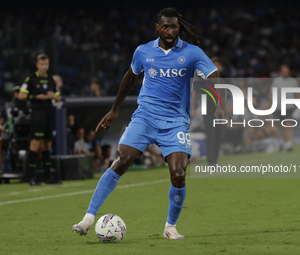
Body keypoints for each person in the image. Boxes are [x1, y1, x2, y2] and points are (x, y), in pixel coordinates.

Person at [72, 7, 228, 239]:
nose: (169, 30)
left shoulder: (192, 53)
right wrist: (114, 110)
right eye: (165, 26)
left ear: (178, 27)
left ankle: (170, 227)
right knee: (121, 160)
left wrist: (220, 104)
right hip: (145, 117)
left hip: (175, 122)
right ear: (157, 28)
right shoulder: (143, 51)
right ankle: (87, 219)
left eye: (174, 26)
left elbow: (215, 76)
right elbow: (130, 77)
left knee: (178, 174)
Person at [18, 53, 61, 185]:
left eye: (46, 64)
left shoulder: (51, 80)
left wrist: (54, 96)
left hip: (49, 112)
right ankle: (31, 177)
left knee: (47, 144)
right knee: (35, 144)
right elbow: (21, 96)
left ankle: (47, 177)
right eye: (41, 64)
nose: (44, 66)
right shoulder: (30, 79)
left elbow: (59, 98)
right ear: (37, 65)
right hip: (37, 113)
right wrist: (36, 97)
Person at [269, 65, 299, 152]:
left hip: (289, 106)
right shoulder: (276, 81)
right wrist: (272, 105)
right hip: (279, 106)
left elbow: (298, 93)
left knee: (288, 123)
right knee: (282, 125)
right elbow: (271, 93)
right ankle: (286, 143)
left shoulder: (293, 81)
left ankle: (289, 142)